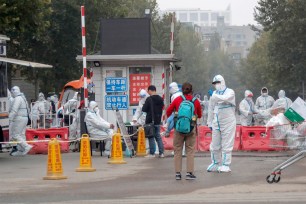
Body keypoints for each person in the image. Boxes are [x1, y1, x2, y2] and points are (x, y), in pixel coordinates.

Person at [167, 82, 202, 180]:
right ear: (192, 90)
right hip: (191, 127)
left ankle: (178, 174)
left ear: (182, 90)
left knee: (177, 150)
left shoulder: (177, 99)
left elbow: (168, 111)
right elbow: (199, 115)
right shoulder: (196, 101)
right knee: (190, 150)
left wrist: (176, 114)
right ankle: (189, 173)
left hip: (178, 128)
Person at [207, 75, 236, 173]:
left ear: (222, 82)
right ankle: (215, 163)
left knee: (227, 144)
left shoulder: (230, 92)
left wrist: (213, 96)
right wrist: (209, 122)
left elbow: (225, 98)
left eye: (217, 83)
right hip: (217, 121)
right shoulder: (214, 93)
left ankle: (226, 164)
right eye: (214, 83)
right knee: (214, 144)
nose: (216, 85)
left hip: (228, 122)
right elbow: (211, 108)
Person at [9, 86, 33, 156]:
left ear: (13, 91)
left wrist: (9, 119)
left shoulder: (17, 99)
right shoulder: (23, 98)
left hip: (19, 118)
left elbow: (14, 110)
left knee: (15, 135)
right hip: (24, 118)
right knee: (21, 135)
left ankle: (26, 146)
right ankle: (21, 149)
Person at [142, 85, 164, 158]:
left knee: (151, 137)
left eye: (148, 91)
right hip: (158, 120)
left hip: (150, 121)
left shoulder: (149, 99)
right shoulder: (161, 99)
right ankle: (161, 153)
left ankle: (152, 153)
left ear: (150, 90)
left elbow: (144, 109)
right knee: (158, 136)